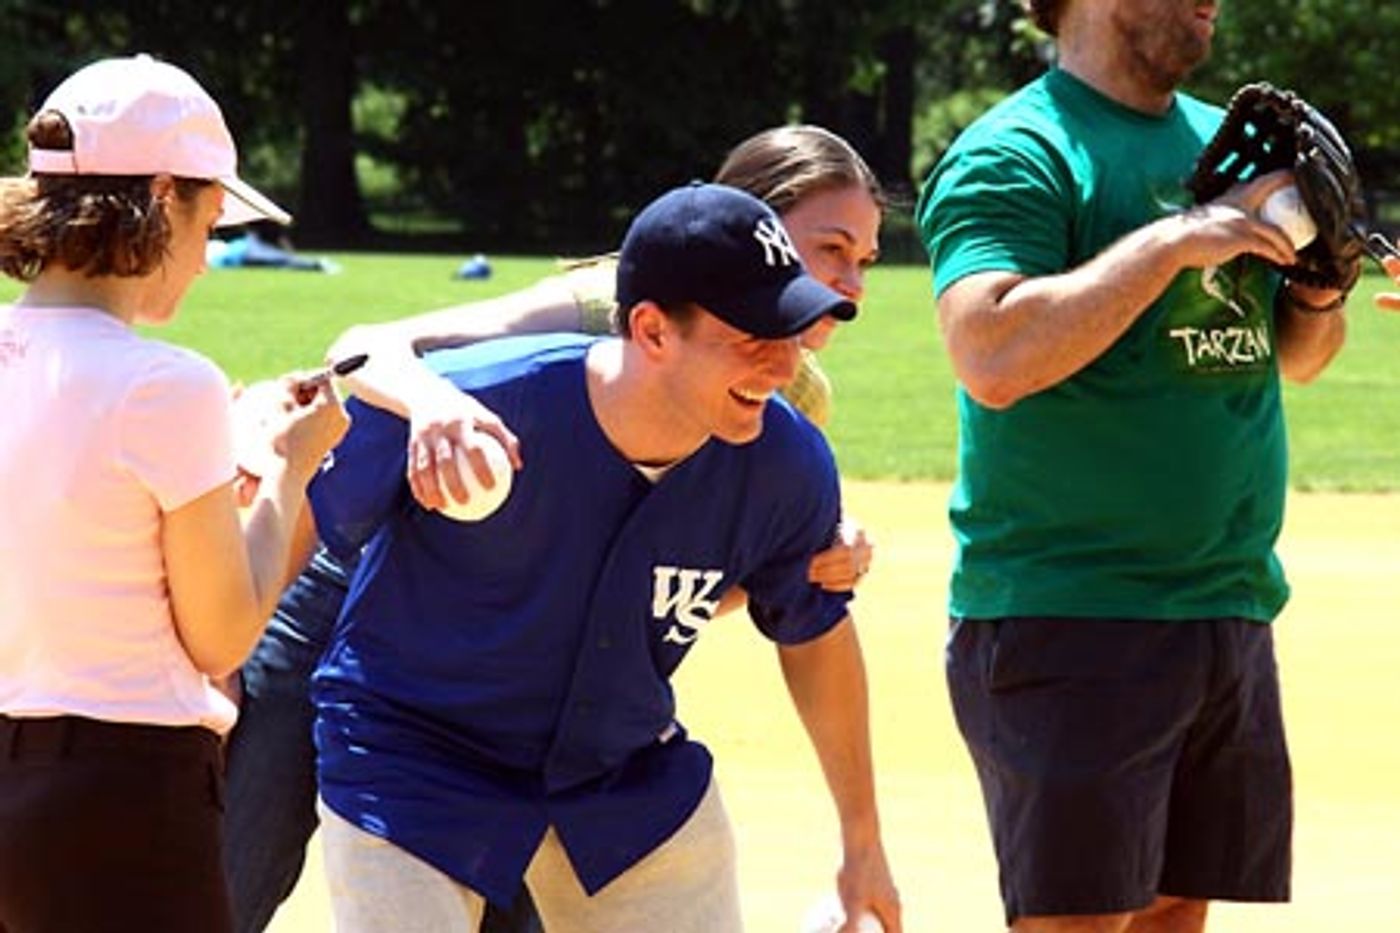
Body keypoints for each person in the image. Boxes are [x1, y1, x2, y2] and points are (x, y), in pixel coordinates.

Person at [221, 123, 883, 933]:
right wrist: (435, 405)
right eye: (830, 248)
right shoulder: (581, 320)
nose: (847, 285)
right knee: (231, 858)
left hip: (584, 717)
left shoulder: (784, 431)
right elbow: (365, 358)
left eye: (862, 261)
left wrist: (811, 549)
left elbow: (710, 588)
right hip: (388, 625)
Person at [916, 1, 1356, 930]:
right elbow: (990, 355)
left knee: (1173, 915)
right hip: (1073, 611)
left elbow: (1293, 357)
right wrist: (1176, 239)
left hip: (1225, 605)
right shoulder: (1020, 149)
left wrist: (1318, 294)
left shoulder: (1226, 144)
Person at [0, 54, 346, 932]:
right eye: (211, 217)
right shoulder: (168, 384)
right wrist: (290, 468)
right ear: (162, 199)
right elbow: (222, 630)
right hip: (122, 792)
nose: (206, 256)